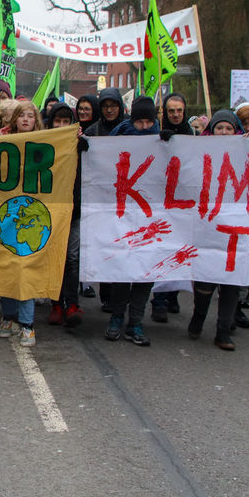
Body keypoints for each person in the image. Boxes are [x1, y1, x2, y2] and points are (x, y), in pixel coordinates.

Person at [102, 97, 160, 346]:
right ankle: (116, 317)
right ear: (131, 120)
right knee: (122, 271)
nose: (145, 127)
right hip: (123, 218)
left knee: (145, 273)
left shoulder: (164, 141)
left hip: (153, 220)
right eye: (140, 121)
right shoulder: (115, 140)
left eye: (149, 121)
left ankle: (135, 322)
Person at [189, 109, 246, 351]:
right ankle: (199, 316)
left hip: (236, 225)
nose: (224, 133)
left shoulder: (247, 152)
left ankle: (223, 330)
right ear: (212, 130)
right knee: (206, 278)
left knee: (232, 279)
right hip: (207, 224)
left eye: (229, 128)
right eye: (220, 128)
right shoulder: (197, 151)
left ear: (236, 131)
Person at [47, 102, 86, 329]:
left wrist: (82, 145)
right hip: (51, 211)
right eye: (57, 121)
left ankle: (72, 303)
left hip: (74, 210)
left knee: (71, 259)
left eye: (65, 122)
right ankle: (55, 304)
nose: (61, 126)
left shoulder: (80, 145)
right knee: (53, 259)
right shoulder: (42, 144)